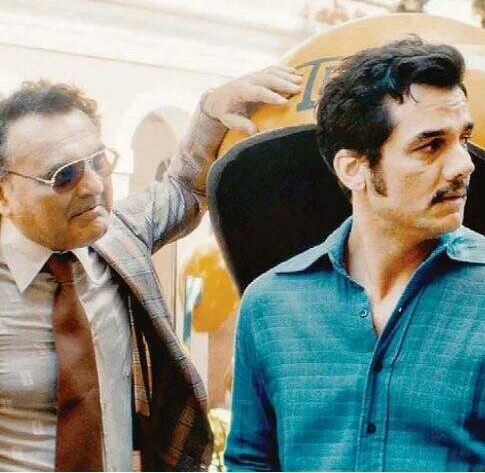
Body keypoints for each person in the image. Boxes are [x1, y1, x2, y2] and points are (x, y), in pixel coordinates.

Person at [224, 38, 485, 471]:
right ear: (354, 169)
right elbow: (249, 463)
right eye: (430, 145)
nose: (463, 165)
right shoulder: (270, 306)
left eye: (463, 139)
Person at [0, 66, 302, 471]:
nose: (93, 186)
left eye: (99, 162)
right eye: (64, 176)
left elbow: (184, 187)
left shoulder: (120, 236)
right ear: (4, 194)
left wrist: (211, 111)